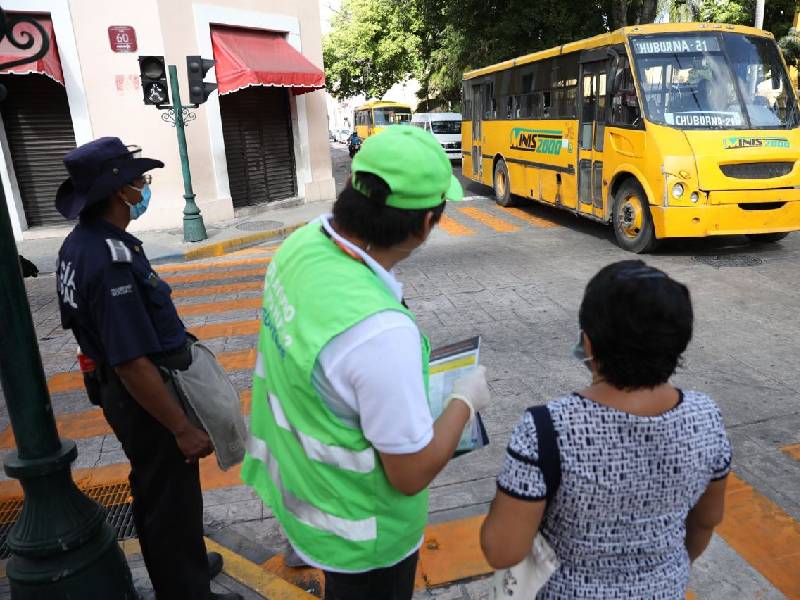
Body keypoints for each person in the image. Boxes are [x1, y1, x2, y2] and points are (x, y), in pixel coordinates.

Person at [242, 125, 493, 600]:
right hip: (365, 539)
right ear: (424, 224)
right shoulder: (379, 333)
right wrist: (464, 400)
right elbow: (410, 472)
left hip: (304, 494)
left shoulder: (301, 245)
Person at [55, 137, 241, 600]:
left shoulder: (80, 245)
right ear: (121, 192)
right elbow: (132, 362)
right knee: (169, 499)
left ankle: (185, 564)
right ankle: (185, 590)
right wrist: (181, 428)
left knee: (159, 491)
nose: (143, 187)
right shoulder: (110, 260)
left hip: (125, 392)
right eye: (140, 180)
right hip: (146, 397)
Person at [480, 260, 731, 599]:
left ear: (588, 342)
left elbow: (502, 550)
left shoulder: (546, 429)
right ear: (679, 341)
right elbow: (706, 521)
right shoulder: (706, 417)